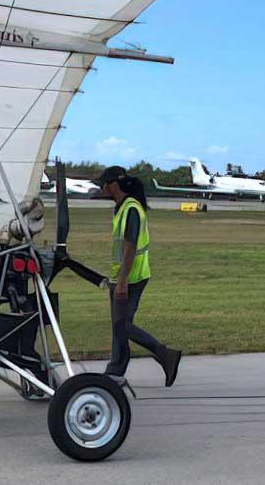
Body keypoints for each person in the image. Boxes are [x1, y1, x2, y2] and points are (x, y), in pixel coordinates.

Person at [96, 166, 181, 387]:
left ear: (113, 184)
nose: (102, 188)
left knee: (121, 325)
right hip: (125, 276)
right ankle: (116, 371)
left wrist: (122, 281)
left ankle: (164, 354)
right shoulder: (122, 207)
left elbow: (131, 246)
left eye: (103, 183)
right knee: (121, 325)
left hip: (131, 278)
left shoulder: (130, 208)